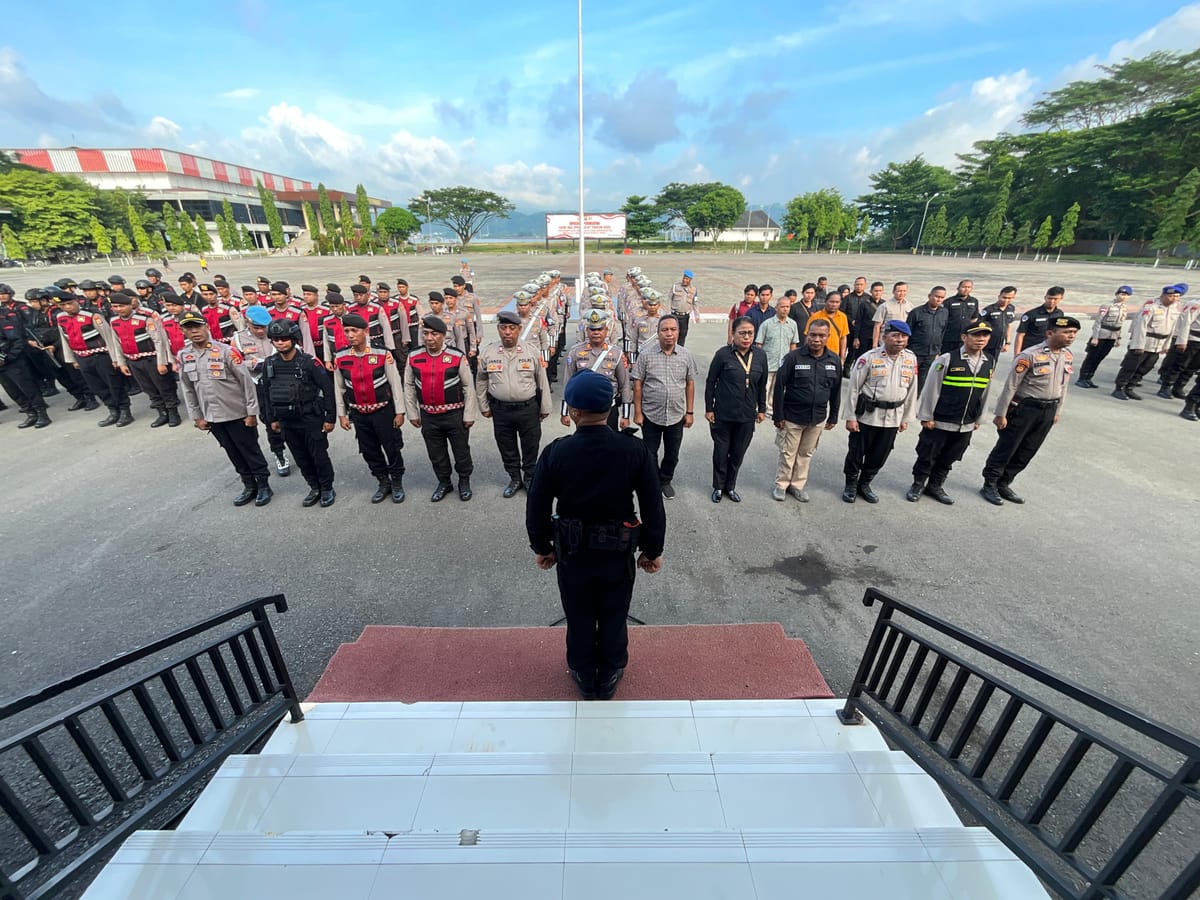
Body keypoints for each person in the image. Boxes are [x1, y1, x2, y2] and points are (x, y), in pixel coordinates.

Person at [526, 369, 666, 701]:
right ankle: (611, 670)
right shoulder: (634, 450)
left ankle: (584, 671)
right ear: (611, 406)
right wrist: (652, 549)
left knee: (579, 613)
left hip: (573, 554)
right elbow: (652, 505)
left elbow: (537, 505)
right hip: (618, 554)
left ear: (573, 411)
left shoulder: (557, 452)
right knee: (615, 612)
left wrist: (543, 546)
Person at [177, 310, 272, 507]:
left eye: (197, 327)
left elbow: (246, 382)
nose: (194, 331)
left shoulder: (226, 351)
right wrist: (197, 416)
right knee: (232, 451)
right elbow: (188, 388)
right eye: (189, 328)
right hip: (212, 415)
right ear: (183, 331)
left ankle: (263, 485)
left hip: (237, 413)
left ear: (206, 327)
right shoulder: (184, 355)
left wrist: (251, 412)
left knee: (250, 450)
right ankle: (249, 485)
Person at [981, 316, 1080, 505]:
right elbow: (1011, 385)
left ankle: (1004, 483)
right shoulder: (1029, 355)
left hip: (1048, 410)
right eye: (1067, 332)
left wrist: (1057, 411)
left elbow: (1064, 386)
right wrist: (1001, 413)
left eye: (1074, 333)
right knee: (1007, 448)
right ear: (1050, 333)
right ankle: (990, 483)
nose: (1071, 336)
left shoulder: (1066, 356)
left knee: (1028, 450)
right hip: (1025, 408)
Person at [907, 320, 996, 505]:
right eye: (976, 335)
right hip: (940, 420)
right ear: (964, 337)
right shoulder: (947, 359)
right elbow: (931, 388)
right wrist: (927, 416)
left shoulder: (989, 361)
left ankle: (935, 485)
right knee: (928, 454)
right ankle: (918, 484)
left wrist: (979, 418)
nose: (981, 339)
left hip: (966, 422)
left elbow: (985, 392)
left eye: (985, 335)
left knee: (950, 457)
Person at [476, 310, 552, 497]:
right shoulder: (488, 352)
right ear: (498, 329)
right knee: (506, 445)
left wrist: (545, 407)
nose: (507, 332)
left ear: (519, 329)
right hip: (501, 409)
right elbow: (481, 380)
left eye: (511, 328)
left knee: (530, 445)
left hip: (528, 408)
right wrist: (483, 406)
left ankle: (529, 477)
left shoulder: (531, 351)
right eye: (503, 328)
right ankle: (514, 478)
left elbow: (542, 380)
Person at [262, 319, 338, 508]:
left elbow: (328, 389)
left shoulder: (309, 363)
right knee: (301, 457)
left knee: (318, 456)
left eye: (284, 338)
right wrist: (272, 419)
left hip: (310, 418)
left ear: (294, 339)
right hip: (286, 420)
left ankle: (327, 488)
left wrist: (330, 418)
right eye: (276, 339)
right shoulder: (269, 364)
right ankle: (314, 487)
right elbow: (266, 394)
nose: (280, 343)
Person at [332, 314, 407, 504]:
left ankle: (396, 481)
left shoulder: (382, 354)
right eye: (347, 331)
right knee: (369, 450)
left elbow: (395, 383)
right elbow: (339, 388)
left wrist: (400, 411)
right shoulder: (341, 357)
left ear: (365, 331)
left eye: (354, 331)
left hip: (383, 411)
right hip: (359, 413)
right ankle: (383, 482)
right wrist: (342, 415)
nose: (350, 335)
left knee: (391, 447)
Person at [404, 315, 479, 502]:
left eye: (434, 334)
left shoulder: (456, 356)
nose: (429, 338)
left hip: (454, 414)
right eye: (426, 333)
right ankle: (444, 482)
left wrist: (469, 415)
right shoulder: (414, 356)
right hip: (428, 415)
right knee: (436, 453)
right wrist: (412, 413)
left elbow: (468, 386)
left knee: (461, 451)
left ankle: (464, 481)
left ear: (443, 335)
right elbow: (409, 385)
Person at [843, 321, 919, 503]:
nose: (899, 340)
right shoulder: (869, 358)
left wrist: (906, 418)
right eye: (895, 335)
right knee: (856, 452)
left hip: (893, 417)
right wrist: (850, 416)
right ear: (884, 337)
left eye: (903, 336)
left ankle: (865, 483)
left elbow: (912, 389)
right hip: (868, 415)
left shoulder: (910, 359)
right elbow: (854, 388)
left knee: (879, 454)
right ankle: (851, 484)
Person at [771, 319, 841, 502]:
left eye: (821, 336)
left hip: (817, 418)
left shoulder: (834, 360)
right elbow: (779, 386)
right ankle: (781, 485)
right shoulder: (793, 358)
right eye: (813, 335)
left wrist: (833, 416)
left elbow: (836, 390)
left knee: (805, 454)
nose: (816, 339)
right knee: (788, 453)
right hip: (792, 416)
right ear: (806, 335)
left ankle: (797, 485)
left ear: (828, 337)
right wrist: (778, 415)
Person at [632, 315, 697, 499]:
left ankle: (665, 480)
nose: (669, 334)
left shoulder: (685, 355)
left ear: (678, 332)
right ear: (658, 332)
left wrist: (690, 412)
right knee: (650, 452)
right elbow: (638, 384)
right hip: (651, 414)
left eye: (673, 329)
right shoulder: (646, 355)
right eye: (664, 330)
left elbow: (690, 384)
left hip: (676, 415)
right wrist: (638, 412)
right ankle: (653, 480)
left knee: (672, 453)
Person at [704, 316, 767, 502]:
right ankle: (718, 487)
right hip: (723, 414)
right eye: (742, 333)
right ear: (733, 334)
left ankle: (730, 487)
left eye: (750, 333)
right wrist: (709, 408)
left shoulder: (760, 356)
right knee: (721, 453)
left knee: (737, 454)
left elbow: (762, 385)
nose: (746, 337)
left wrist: (762, 409)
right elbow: (710, 382)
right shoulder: (723, 355)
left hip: (747, 416)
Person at [54, 290, 129, 426]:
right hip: (82, 357)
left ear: (77, 301)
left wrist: (115, 358)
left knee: (113, 384)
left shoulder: (92, 316)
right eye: (63, 305)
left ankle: (124, 410)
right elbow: (65, 339)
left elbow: (108, 337)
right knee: (97, 386)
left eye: (70, 303)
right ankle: (112, 410)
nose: (67, 307)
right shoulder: (61, 318)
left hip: (101, 356)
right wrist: (72, 359)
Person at [233, 304, 291, 477]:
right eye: (256, 327)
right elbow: (233, 363)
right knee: (270, 421)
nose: (261, 331)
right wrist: (251, 364)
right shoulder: (238, 338)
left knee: (289, 417)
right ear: (248, 323)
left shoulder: (277, 334)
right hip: (256, 383)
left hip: (280, 382)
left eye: (263, 327)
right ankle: (279, 453)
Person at [108, 292, 181, 427]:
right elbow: (116, 343)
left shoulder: (145, 320)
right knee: (148, 388)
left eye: (122, 306)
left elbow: (158, 341)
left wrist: (161, 362)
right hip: (133, 361)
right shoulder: (114, 322)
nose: (118, 309)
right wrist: (122, 363)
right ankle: (162, 412)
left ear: (130, 305)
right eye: (115, 306)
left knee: (164, 386)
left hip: (151, 359)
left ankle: (173, 412)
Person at [561, 309, 632, 432]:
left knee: (609, 441)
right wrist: (564, 412)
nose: (596, 333)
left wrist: (625, 415)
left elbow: (624, 385)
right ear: (587, 331)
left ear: (606, 330)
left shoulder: (617, 353)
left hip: (609, 409)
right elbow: (568, 382)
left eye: (600, 329)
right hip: (584, 410)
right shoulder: (575, 352)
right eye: (592, 329)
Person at [1112, 285, 1182, 400]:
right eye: (1171, 296)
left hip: (1158, 344)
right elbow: (1141, 326)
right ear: (1163, 296)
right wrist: (1138, 345)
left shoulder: (1174, 310)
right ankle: (1119, 388)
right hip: (1145, 342)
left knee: (1145, 368)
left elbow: (1172, 329)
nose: (1174, 299)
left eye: (1176, 297)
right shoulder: (1151, 307)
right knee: (1130, 366)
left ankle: (1130, 388)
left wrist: (1166, 345)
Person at [0, 289, 50, 428]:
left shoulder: (4, 317)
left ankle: (42, 414)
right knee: (13, 391)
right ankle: (30, 413)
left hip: (12, 361)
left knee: (28, 388)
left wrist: (8, 357)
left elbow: (16, 340)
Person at [1076, 285, 1131, 388]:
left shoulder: (1124, 308)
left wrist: (1118, 338)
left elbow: (1120, 324)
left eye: (1126, 295)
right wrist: (1095, 337)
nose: (1123, 297)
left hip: (1112, 336)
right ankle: (1082, 378)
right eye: (1122, 294)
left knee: (1100, 358)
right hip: (1102, 334)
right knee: (1092, 357)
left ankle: (1089, 378)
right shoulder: (1107, 305)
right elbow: (1098, 321)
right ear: (1116, 294)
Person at [755, 293, 800, 416]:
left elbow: (793, 344)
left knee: (777, 388)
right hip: (768, 363)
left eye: (787, 307)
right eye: (782, 307)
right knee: (764, 387)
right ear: (776, 308)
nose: (785, 309)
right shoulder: (767, 324)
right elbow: (759, 344)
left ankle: (771, 408)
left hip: (783, 364)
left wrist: (793, 362)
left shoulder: (793, 324)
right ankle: (761, 408)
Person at [1158, 284, 1199, 398]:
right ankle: (1166, 386)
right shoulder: (1195, 305)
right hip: (1192, 339)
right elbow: (1186, 323)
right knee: (1179, 364)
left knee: (1193, 367)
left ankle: (1178, 387)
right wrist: (1182, 341)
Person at [905, 286, 950, 388]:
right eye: (936, 296)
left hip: (932, 353)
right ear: (929, 296)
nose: (939, 299)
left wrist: (938, 350)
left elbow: (942, 332)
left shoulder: (944, 312)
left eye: (942, 297)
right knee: (909, 378)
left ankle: (919, 397)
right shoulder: (916, 312)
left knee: (924, 381)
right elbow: (907, 332)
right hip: (915, 352)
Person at [1013, 287, 1064, 355]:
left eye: (1055, 299)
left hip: (1049, 351)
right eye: (1049, 298)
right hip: (1031, 351)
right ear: (1045, 297)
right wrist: (1017, 355)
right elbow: (1020, 335)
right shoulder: (1031, 314)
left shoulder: (1059, 314)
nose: (1052, 301)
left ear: (1061, 298)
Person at [806, 291, 850, 364]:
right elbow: (807, 336)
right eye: (831, 302)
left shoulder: (843, 317)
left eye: (837, 302)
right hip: (816, 355)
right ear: (826, 301)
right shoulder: (815, 316)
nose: (834, 304)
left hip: (834, 355)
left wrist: (842, 358)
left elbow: (843, 338)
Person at [978, 286, 1019, 362]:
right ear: (999, 296)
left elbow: (1008, 325)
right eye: (1004, 297)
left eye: (1009, 298)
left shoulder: (1011, 309)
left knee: (993, 363)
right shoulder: (988, 310)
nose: (1006, 300)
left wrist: (1007, 343)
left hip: (998, 345)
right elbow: (979, 327)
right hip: (986, 345)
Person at [941, 280, 980, 353]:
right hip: (949, 338)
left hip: (965, 338)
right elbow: (942, 320)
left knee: (963, 357)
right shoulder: (948, 302)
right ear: (958, 288)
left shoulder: (974, 301)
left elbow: (974, 318)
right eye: (964, 287)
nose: (966, 289)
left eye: (969, 287)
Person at [872, 282, 912, 347]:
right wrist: (874, 345)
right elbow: (877, 326)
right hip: (887, 341)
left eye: (904, 291)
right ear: (893, 292)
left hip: (902, 341)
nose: (902, 293)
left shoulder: (909, 305)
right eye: (899, 291)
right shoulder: (885, 306)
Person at [669, 269, 698, 345]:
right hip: (674, 315)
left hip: (685, 316)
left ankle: (680, 350)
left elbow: (695, 303)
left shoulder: (693, 289)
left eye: (687, 279)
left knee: (682, 335)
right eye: (684, 278)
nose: (684, 280)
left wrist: (696, 315)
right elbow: (669, 298)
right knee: (672, 335)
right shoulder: (675, 286)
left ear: (690, 280)